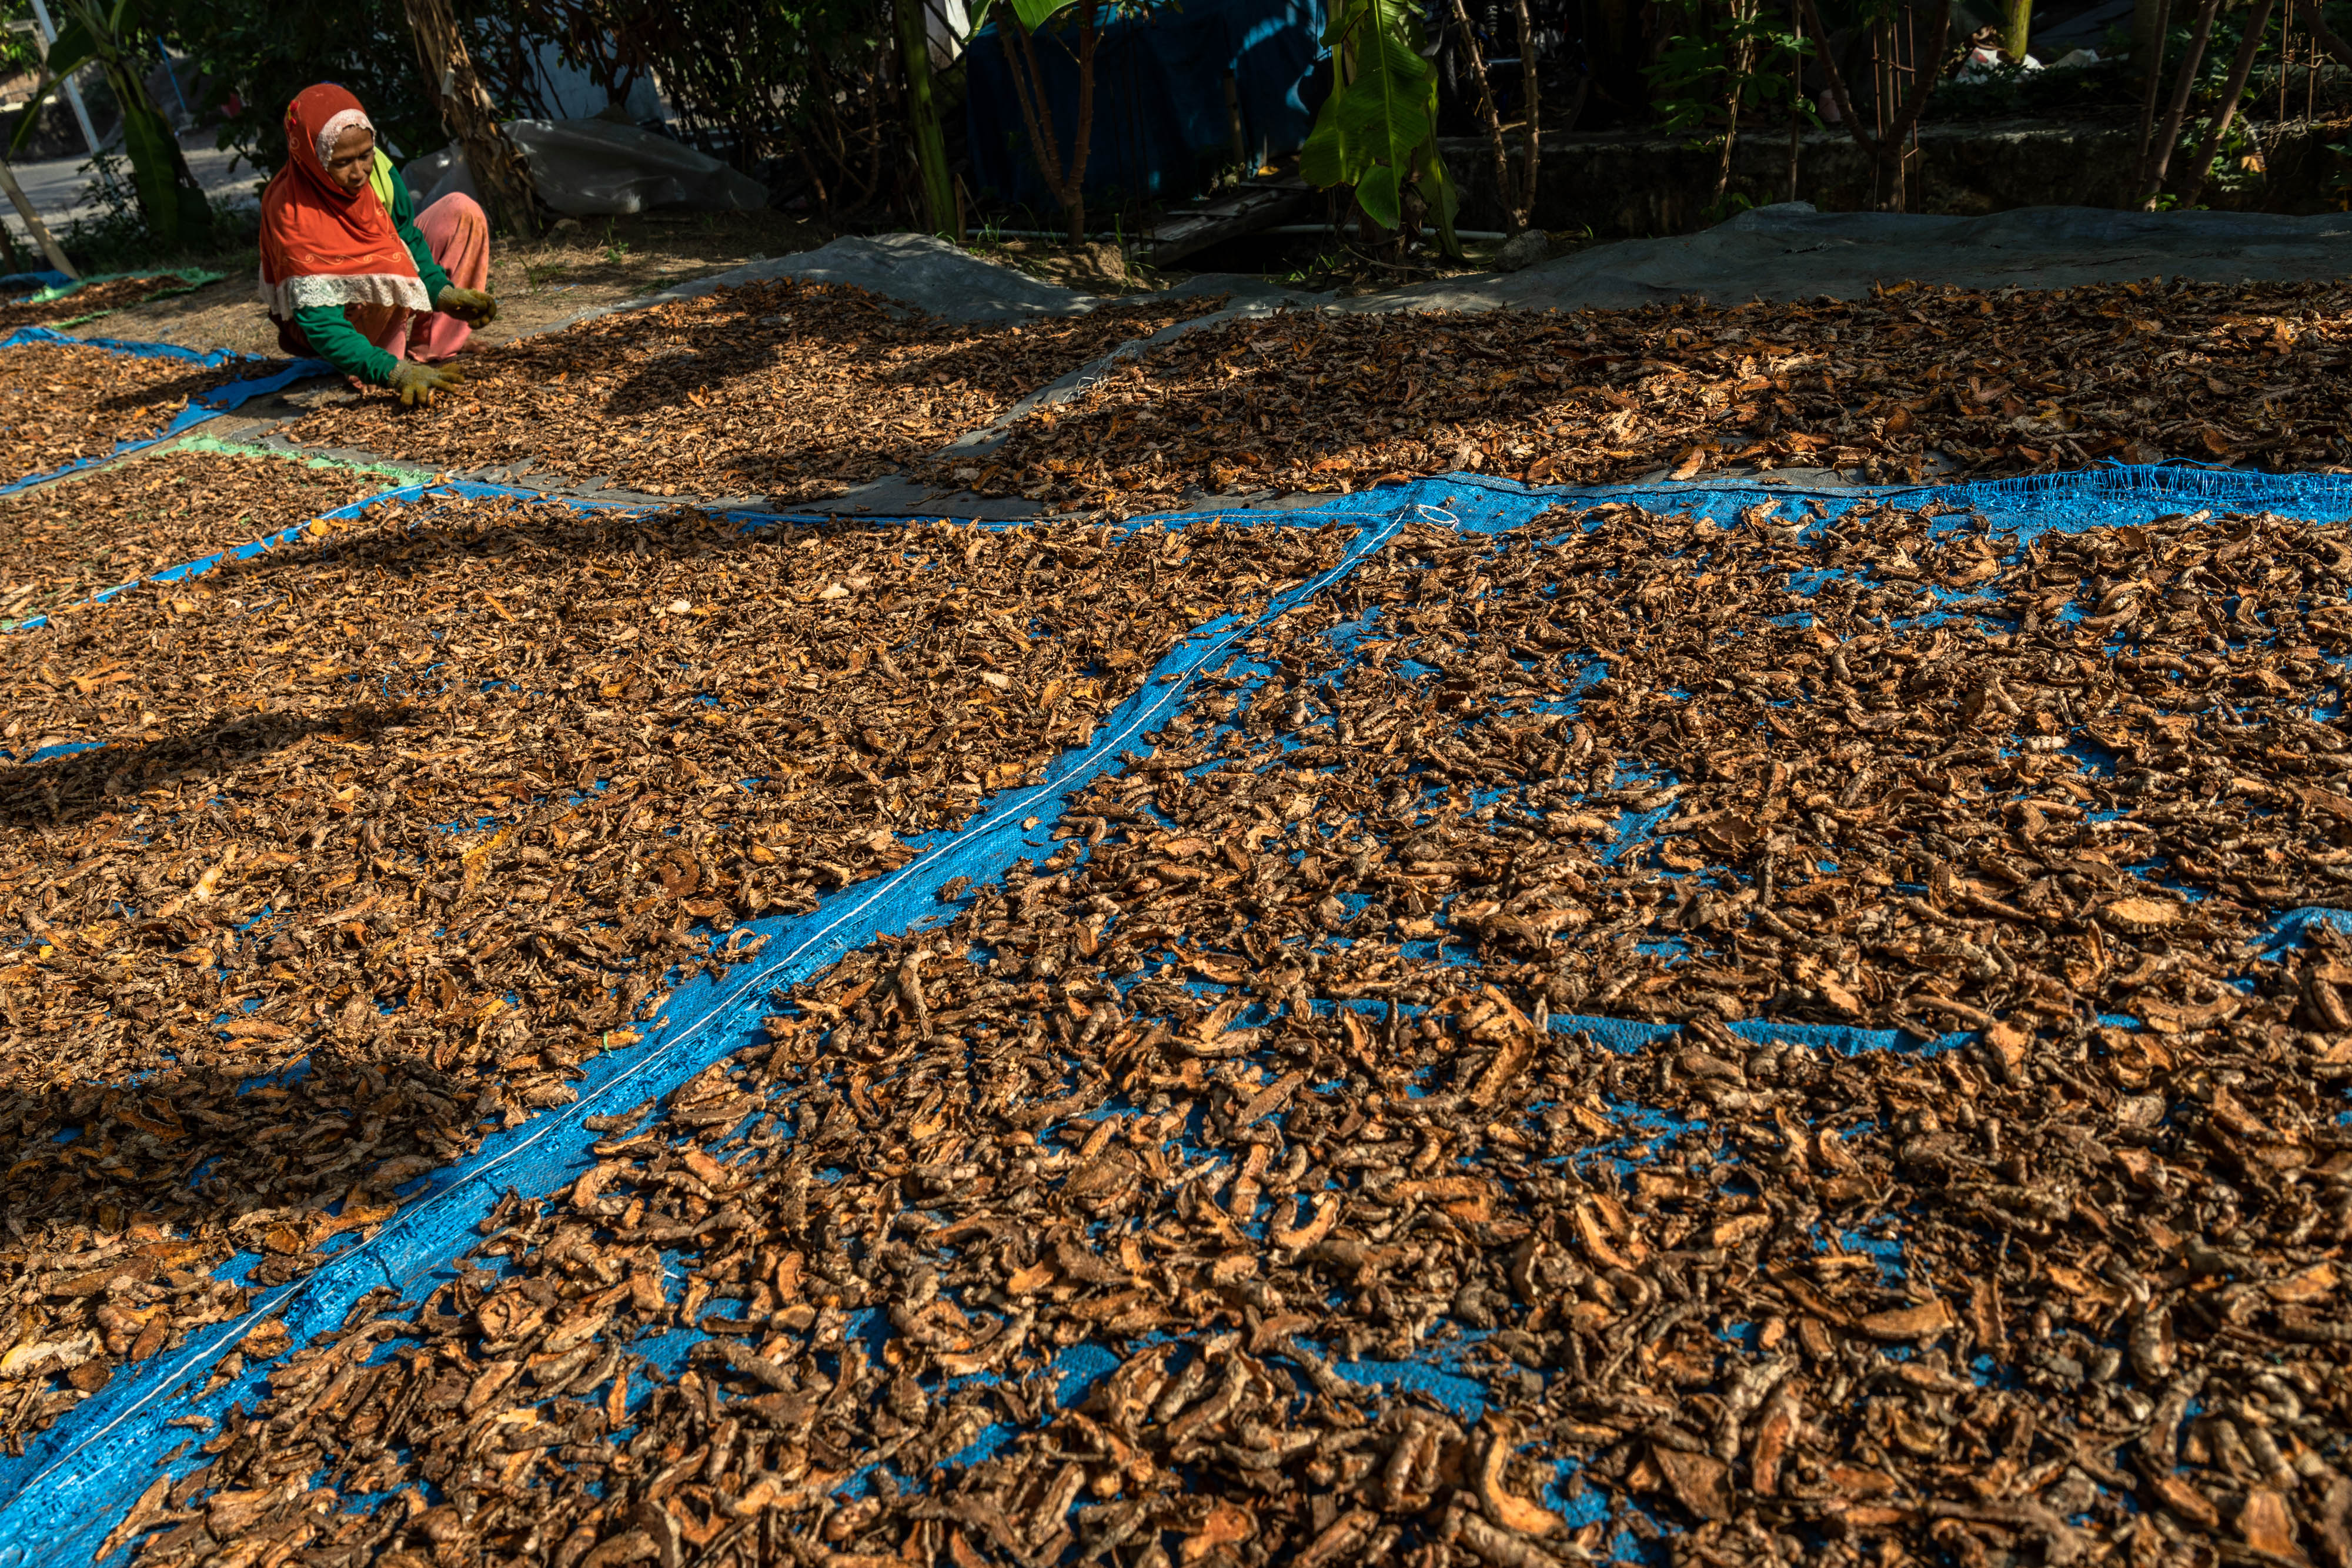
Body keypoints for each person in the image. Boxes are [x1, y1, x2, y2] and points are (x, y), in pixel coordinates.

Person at [259, 83, 500, 407]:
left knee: (461, 211)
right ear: (312, 160)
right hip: (337, 318)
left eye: (365, 155)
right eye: (343, 163)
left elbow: (406, 237)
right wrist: (393, 373)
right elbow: (321, 323)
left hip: (379, 275)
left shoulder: (380, 170)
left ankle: (435, 344)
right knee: (379, 261)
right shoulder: (291, 212)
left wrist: (444, 293)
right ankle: (370, 361)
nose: (359, 173)